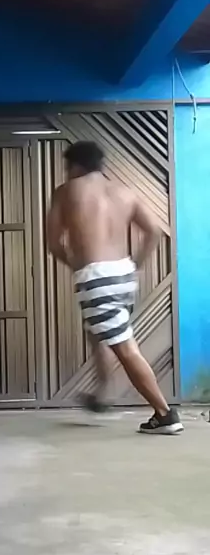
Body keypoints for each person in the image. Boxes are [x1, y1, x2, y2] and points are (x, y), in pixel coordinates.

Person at [46, 140, 182, 435]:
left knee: (124, 347)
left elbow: (53, 243)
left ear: (74, 166)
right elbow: (154, 231)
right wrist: (136, 266)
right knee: (98, 331)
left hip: (96, 277)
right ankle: (101, 393)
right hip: (123, 274)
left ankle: (164, 414)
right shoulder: (124, 191)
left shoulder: (66, 191)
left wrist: (75, 264)